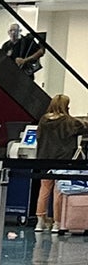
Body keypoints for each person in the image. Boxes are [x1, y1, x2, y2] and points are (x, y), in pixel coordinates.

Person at [34, 94, 85, 232]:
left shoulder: (43, 120)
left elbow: (38, 137)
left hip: (44, 159)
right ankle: (57, 222)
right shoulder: (69, 121)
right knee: (59, 190)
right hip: (62, 160)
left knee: (44, 189)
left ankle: (40, 221)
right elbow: (84, 127)